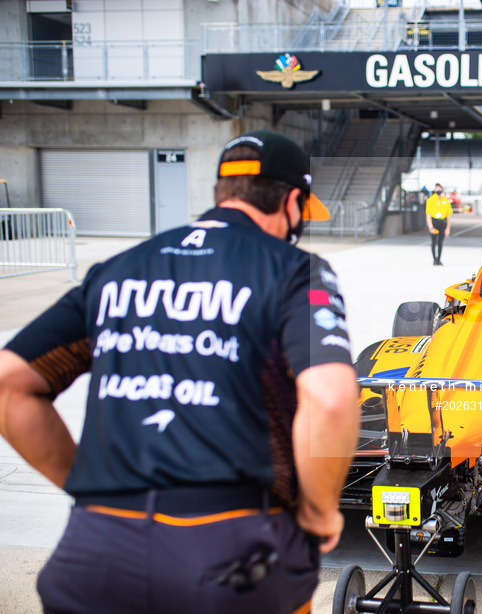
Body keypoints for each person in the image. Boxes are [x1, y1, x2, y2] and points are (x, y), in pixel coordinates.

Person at [0, 130, 361, 614]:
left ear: (222, 193)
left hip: (94, 553)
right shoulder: (296, 271)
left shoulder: (118, 268)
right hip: (234, 552)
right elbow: (331, 397)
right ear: (293, 202)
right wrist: (319, 513)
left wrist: (92, 491)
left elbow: (9, 382)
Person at [425, 182, 452, 266]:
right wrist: (430, 227)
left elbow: (448, 216)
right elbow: (428, 214)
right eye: (436, 188)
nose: (438, 190)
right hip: (434, 222)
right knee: (433, 241)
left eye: (439, 188)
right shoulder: (430, 200)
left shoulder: (446, 201)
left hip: (442, 222)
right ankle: (434, 259)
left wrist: (447, 228)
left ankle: (439, 259)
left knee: (440, 242)